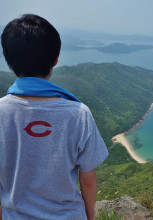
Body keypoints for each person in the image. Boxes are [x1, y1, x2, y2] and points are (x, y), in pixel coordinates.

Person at [0, 14, 108, 220]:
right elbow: (88, 178)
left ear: (9, 60)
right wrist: (90, 216)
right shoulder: (78, 114)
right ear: (56, 59)